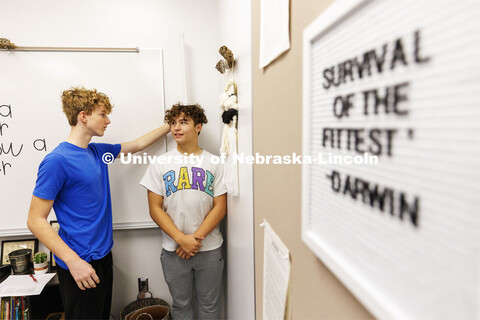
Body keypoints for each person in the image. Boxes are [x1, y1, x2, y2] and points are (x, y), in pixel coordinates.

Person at [27, 86, 170, 319]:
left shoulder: (97, 152)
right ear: (83, 116)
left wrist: (169, 125)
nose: (108, 120)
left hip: (103, 257)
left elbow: (137, 145)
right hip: (79, 263)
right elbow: (35, 219)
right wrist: (74, 262)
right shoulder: (57, 161)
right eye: (103, 114)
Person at [140, 103, 227, 320]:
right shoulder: (160, 163)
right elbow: (154, 208)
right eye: (173, 123)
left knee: (209, 306)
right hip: (173, 250)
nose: (176, 128)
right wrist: (181, 239)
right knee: (181, 306)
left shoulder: (214, 162)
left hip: (209, 248)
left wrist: (194, 240)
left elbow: (220, 207)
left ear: (198, 127)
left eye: (183, 122)